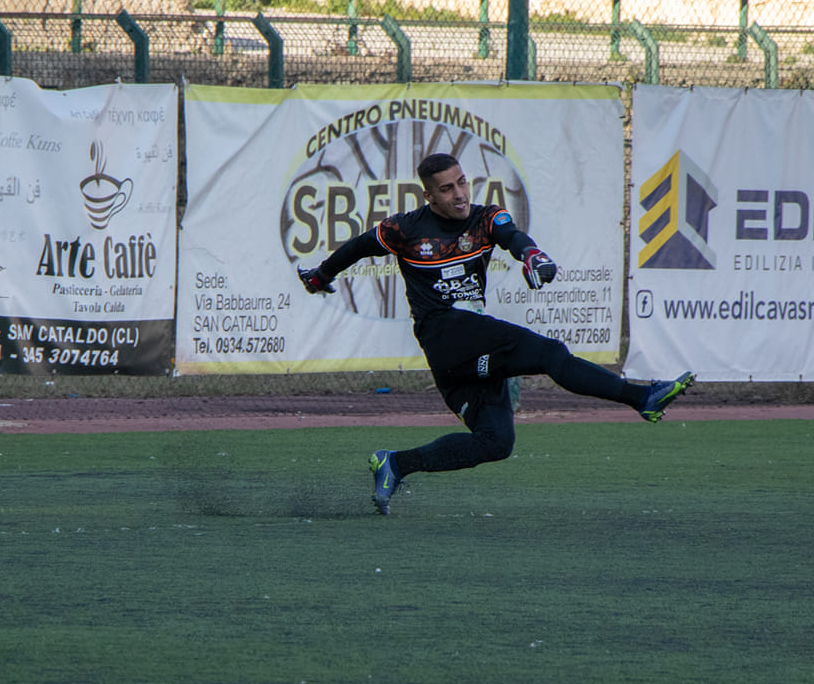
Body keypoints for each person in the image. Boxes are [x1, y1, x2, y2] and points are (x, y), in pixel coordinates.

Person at [297, 152, 695, 515]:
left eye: (462, 182)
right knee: (549, 352)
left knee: (496, 442)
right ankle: (641, 396)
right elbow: (360, 246)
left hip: (467, 354)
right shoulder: (407, 229)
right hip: (442, 334)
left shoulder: (486, 218)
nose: (459, 194)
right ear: (429, 196)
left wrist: (532, 255)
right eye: (447, 188)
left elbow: (513, 238)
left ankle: (395, 463)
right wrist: (321, 274)